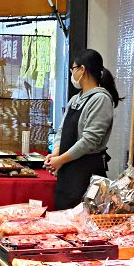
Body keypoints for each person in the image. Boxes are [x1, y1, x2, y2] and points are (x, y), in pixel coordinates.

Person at [45, 49, 118, 210]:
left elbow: (89, 141)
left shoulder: (101, 99)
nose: (72, 73)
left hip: (86, 172)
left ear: (82, 69)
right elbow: (62, 130)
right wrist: (56, 153)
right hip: (67, 171)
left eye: (73, 69)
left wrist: (60, 160)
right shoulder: (75, 99)